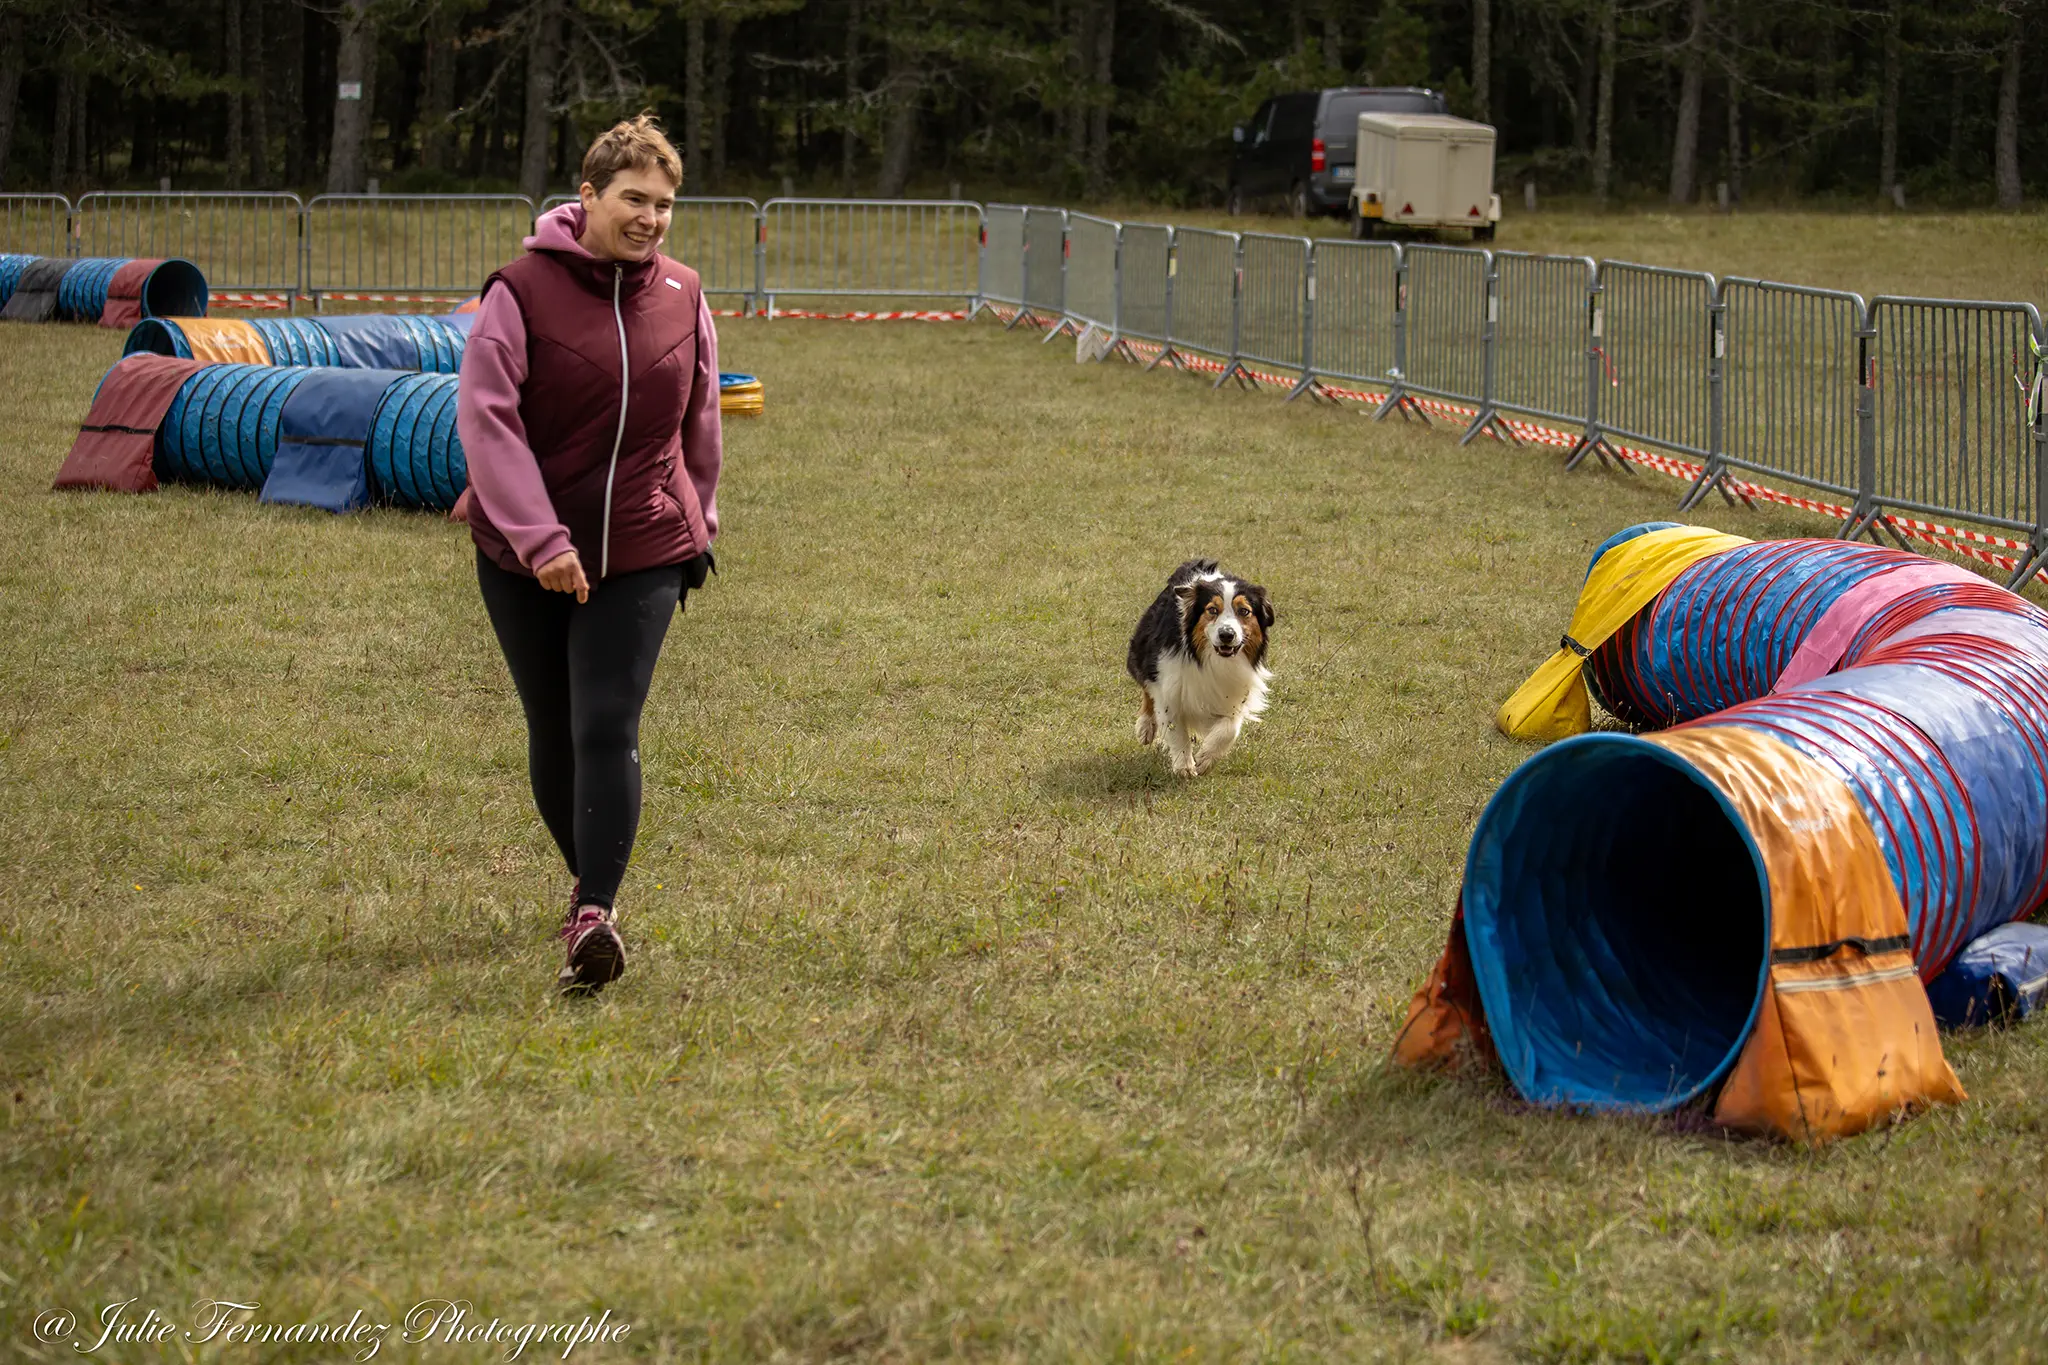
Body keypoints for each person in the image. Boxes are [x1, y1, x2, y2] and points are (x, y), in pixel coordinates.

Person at [457, 115, 722, 994]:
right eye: (634, 199)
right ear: (588, 198)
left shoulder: (684, 294)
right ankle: (591, 891)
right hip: (523, 550)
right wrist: (541, 541)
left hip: (644, 542)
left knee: (607, 720)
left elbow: (700, 422)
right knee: (555, 727)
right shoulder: (520, 291)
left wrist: (701, 520)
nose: (651, 217)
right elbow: (487, 424)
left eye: (665, 204)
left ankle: (594, 910)